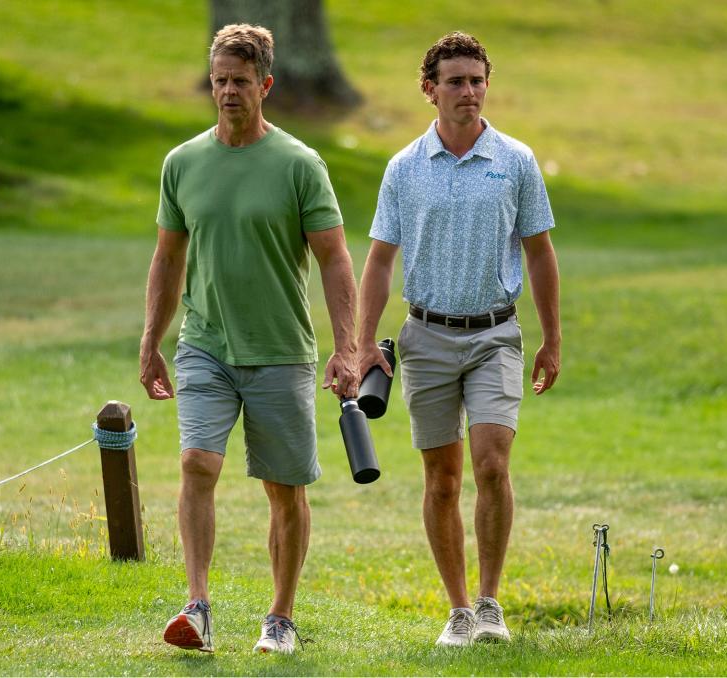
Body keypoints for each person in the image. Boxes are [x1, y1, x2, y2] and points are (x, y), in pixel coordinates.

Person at [139, 24, 359, 655]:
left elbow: (335, 258)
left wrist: (347, 348)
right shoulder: (182, 163)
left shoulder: (298, 165)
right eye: (218, 81)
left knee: (284, 491)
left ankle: (281, 618)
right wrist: (152, 338)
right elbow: (167, 258)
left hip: (281, 352)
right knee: (195, 463)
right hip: (205, 344)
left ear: (266, 84)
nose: (227, 91)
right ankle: (199, 608)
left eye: (239, 80)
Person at [357, 31, 561, 647]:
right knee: (442, 481)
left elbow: (541, 254)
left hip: (496, 334)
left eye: (476, 80)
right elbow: (379, 262)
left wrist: (551, 339)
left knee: (492, 463)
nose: (468, 91)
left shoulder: (516, 161)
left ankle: (491, 602)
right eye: (455, 81)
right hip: (426, 338)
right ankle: (459, 611)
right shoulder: (403, 168)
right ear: (430, 90)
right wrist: (363, 342)